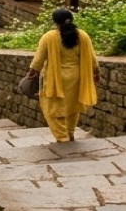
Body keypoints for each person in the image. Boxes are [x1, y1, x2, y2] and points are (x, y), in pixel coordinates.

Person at [26, 8, 99, 143]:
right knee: (72, 107)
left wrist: (32, 71)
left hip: (56, 79)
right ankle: (70, 133)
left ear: (55, 22)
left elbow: (39, 59)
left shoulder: (49, 37)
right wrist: (96, 71)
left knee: (52, 109)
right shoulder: (82, 36)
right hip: (77, 78)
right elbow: (92, 57)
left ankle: (62, 137)